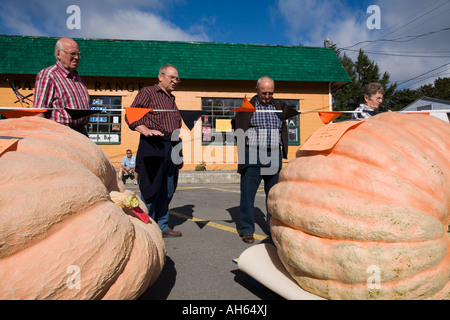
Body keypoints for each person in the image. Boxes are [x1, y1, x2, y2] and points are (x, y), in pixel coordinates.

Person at [126, 64, 183, 238]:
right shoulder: (148, 92)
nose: (175, 81)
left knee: (168, 189)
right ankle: (144, 228)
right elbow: (131, 115)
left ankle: (163, 226)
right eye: (171, 77)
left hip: (172, 145)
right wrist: (144, 129)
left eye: (177, 78)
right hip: (153, 145)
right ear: (160, 76)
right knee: (150, 189)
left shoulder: (171, 98)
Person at [231, 77, 289, 244]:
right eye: (264, 93)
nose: (267, 96)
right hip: (253, 154)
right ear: (257, 90)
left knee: (273, 196)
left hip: (273, 155)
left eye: (270, 92)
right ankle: (247, 229)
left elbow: (282, 128)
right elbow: (237, 127)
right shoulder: (247, 107)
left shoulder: (279, 107)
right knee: (248, 195)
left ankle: (272, 229)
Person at [33, 37, 90, 136]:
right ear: (58, 54)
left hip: (82, 133)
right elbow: (38, 112)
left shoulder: (79, 79)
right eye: (72, 53)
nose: (76, 57)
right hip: (60, 134)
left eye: (78, 54)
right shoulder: (48, 76)